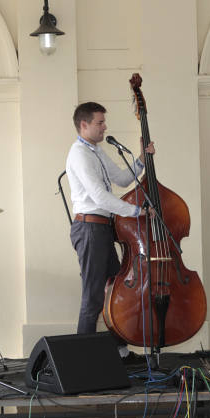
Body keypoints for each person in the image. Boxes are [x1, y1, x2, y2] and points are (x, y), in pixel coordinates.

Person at [65, 102, 154, 357]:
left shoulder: (96, 150)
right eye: (100, 123)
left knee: (115, 292)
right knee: (93, 297)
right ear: (84, 125)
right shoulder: (79, 154)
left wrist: (142, 158)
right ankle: (82, 360)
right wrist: (136, 212)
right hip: (89, 228)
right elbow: (100, 197)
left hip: (101, 229)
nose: (105, 127)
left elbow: (123, 179)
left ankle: (120, 353)